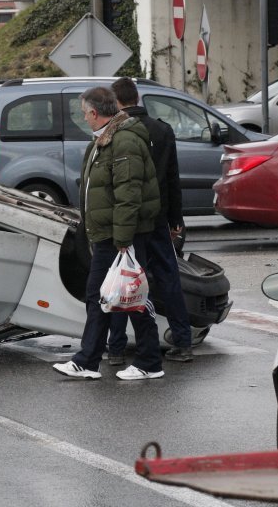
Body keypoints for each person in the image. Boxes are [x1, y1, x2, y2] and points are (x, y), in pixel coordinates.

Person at [53, 86, 163, 381]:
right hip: (109, 233)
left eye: (84, 112)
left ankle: (148, 361)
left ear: (94, 112)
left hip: (121, 235)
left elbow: (129, 194)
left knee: (131, 295)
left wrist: (124, 240)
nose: (83, 117)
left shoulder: (123, 141)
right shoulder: (105, 139)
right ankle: (88, 360)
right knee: (107, 295)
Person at [106, 78, 194, 363]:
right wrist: (175, 218)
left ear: (117, 102)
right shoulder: (162, 129)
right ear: (137, 97)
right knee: (169, 278)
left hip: (129, 219)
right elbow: (172, 178)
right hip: (158, 216)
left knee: (124, 280)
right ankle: (182, 341)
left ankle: (117, 348)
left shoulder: (116, 131)